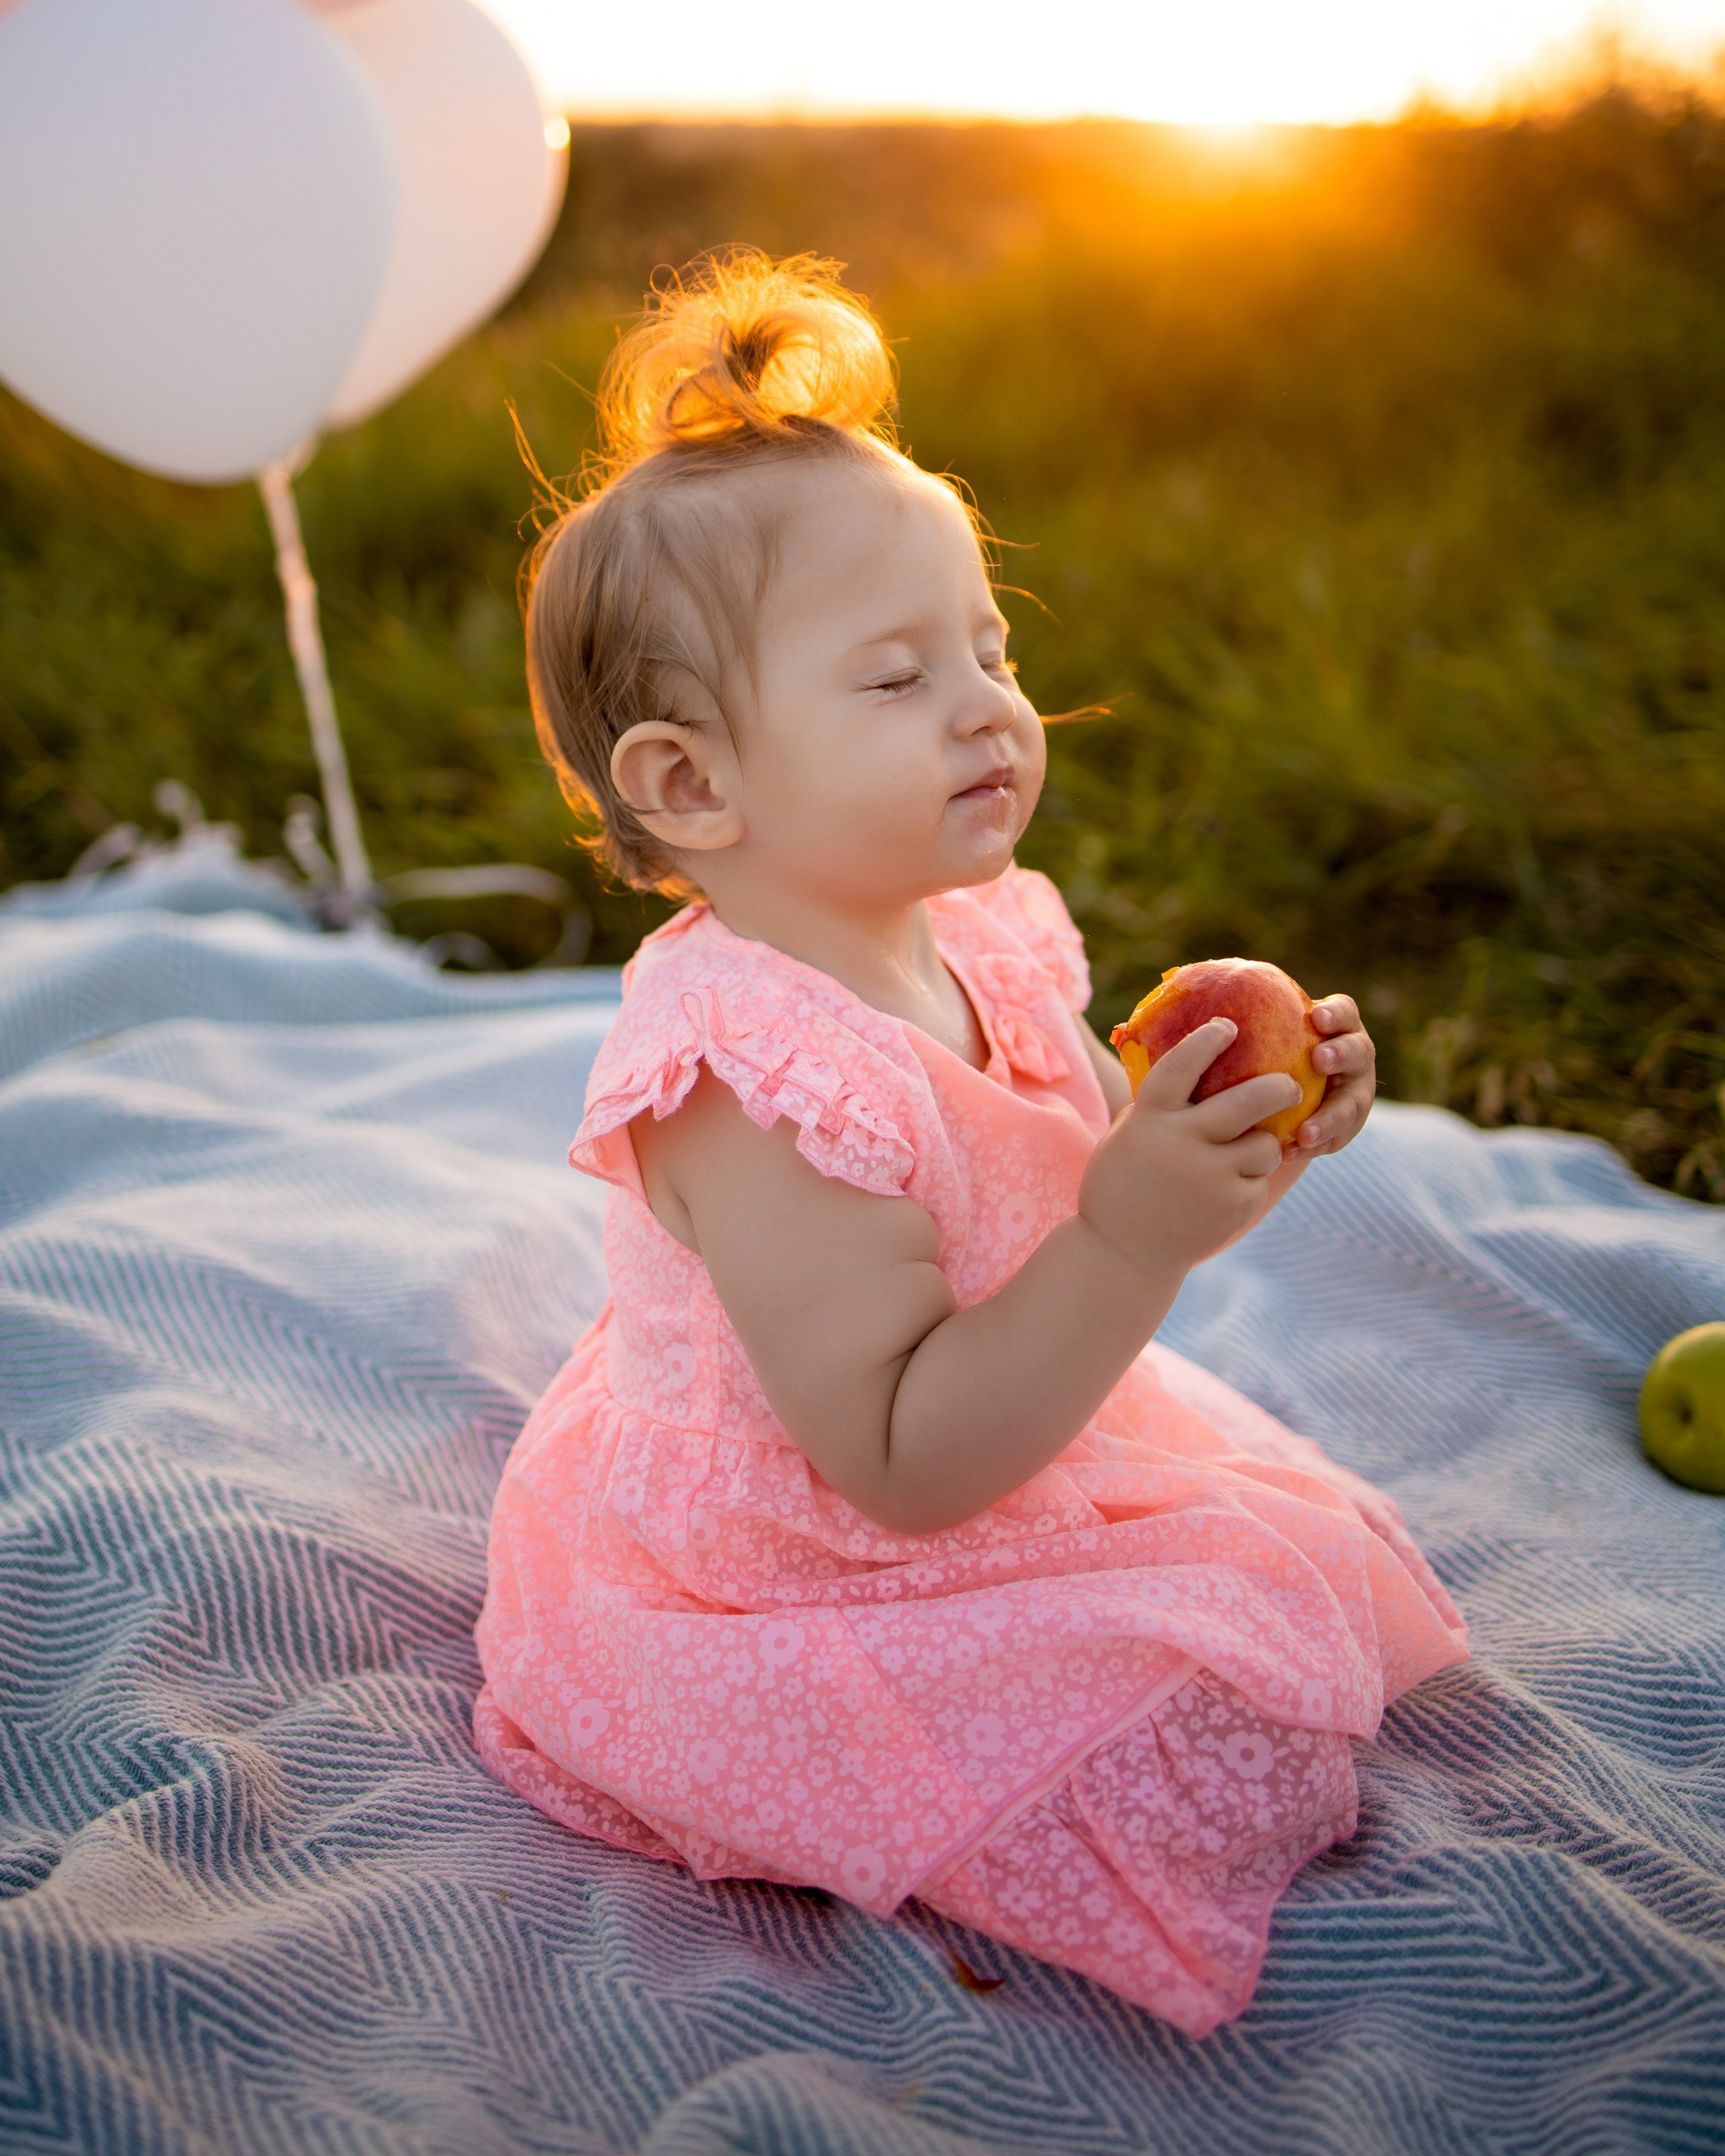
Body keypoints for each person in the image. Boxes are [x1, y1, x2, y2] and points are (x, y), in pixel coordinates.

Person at [473, 251, 1467, 2034]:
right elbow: (903, 1464)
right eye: (893, 677)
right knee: (1219, 1707)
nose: (987, 705)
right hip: (811, 1546)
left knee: (1296, 1583)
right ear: (692, 786)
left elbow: (1085, 1199)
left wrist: (1229, 1144)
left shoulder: (978, 921)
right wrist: (1132, 1238)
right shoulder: (750, 1080)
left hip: (1007, 1403)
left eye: (987, 648)